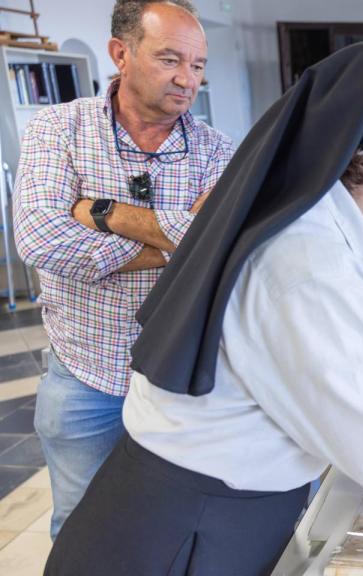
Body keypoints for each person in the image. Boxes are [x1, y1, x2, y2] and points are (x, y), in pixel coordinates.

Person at [43, 41, 363, 575]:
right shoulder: (308, 262)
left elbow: (350, 335)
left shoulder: (302, 222)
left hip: (177, 508)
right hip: (184, 533)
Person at [13, 0, 232, 538]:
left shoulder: (216, 150)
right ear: (121, 54)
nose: (188, 79)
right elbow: (39, 238)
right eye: (170, 59)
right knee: (83, 528)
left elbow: (224, 244)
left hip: (185, 377)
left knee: (174, 527)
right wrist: (174, 241)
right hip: (86, 376)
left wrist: (102, 214)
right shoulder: (59, 129)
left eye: (199, 65)